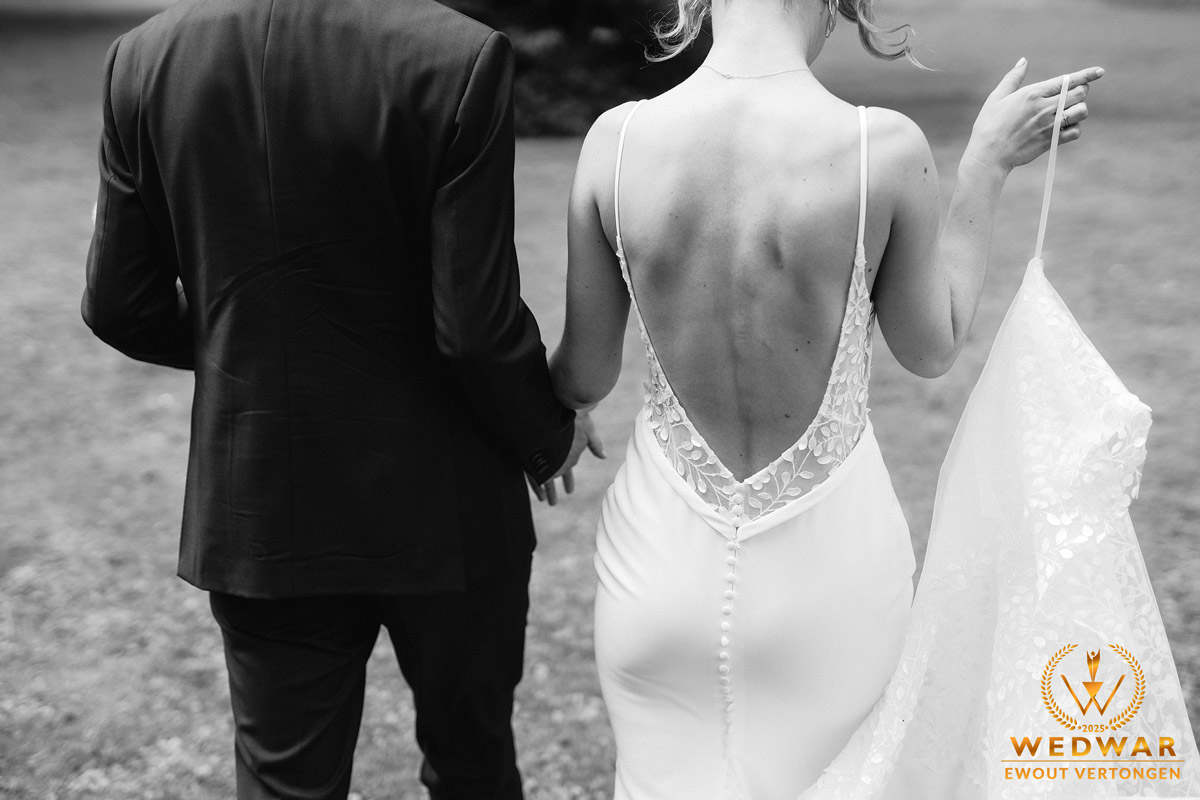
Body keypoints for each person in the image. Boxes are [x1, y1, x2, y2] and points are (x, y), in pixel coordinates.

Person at [546, 0, 1104, 797]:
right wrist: (986, 164)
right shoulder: (883, 147)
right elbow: (932, 346)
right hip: (831, 577)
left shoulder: (616, 140)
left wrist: (550, 412)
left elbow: (582, 377)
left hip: (657, 567)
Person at [81, 0, 597, 797]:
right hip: (448, 501)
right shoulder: (454, 56)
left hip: (264, 497)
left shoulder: (146, 59)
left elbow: (123, 306)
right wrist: (546, 431)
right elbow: (472, 325)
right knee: (473, 765)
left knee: (286, 784)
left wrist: (248, 349)